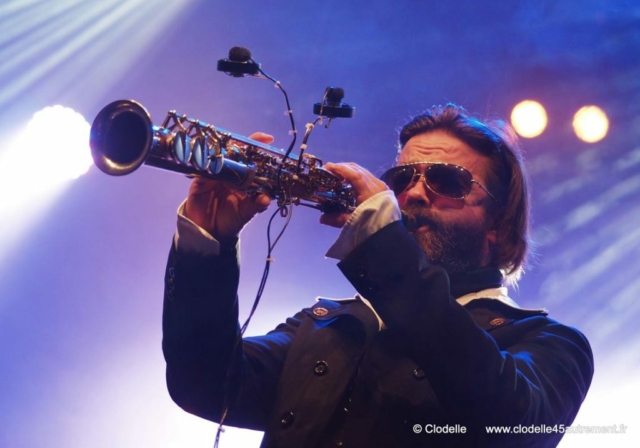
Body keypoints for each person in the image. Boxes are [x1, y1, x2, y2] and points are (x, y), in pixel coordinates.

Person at [162, 103, 593, 447]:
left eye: (447, 180)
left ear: (499, 223)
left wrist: (383, 245)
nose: (414, 193)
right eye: (401, 178)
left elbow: (511, 423)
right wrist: (208, 243)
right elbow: (203, 383)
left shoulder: (549, 342)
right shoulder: (326, 324)